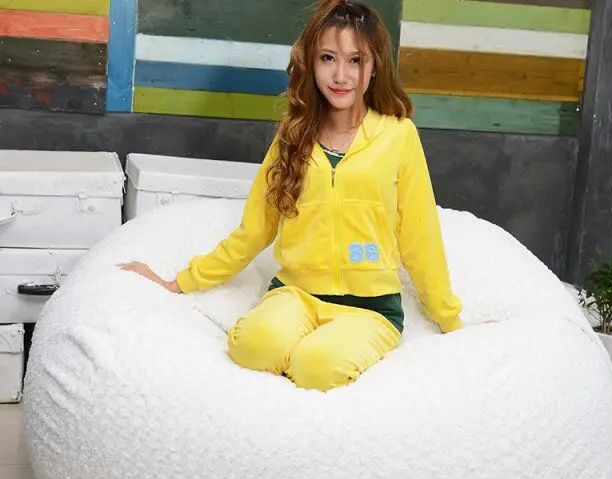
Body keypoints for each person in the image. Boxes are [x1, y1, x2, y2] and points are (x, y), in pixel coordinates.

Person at [121, 0, 463, 392]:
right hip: (295, 295)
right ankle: (295, 351)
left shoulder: (398, 135)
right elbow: (255, 228)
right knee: (253, 345)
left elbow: (420, 236)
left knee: (317, 366)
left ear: (374, 67)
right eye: (328, 58)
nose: (340, 75)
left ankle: (312, 354)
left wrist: (450, 320)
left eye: (355, 60)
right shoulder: (293, 135)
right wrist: (179, 282)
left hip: (369, 306)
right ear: (311, 62)